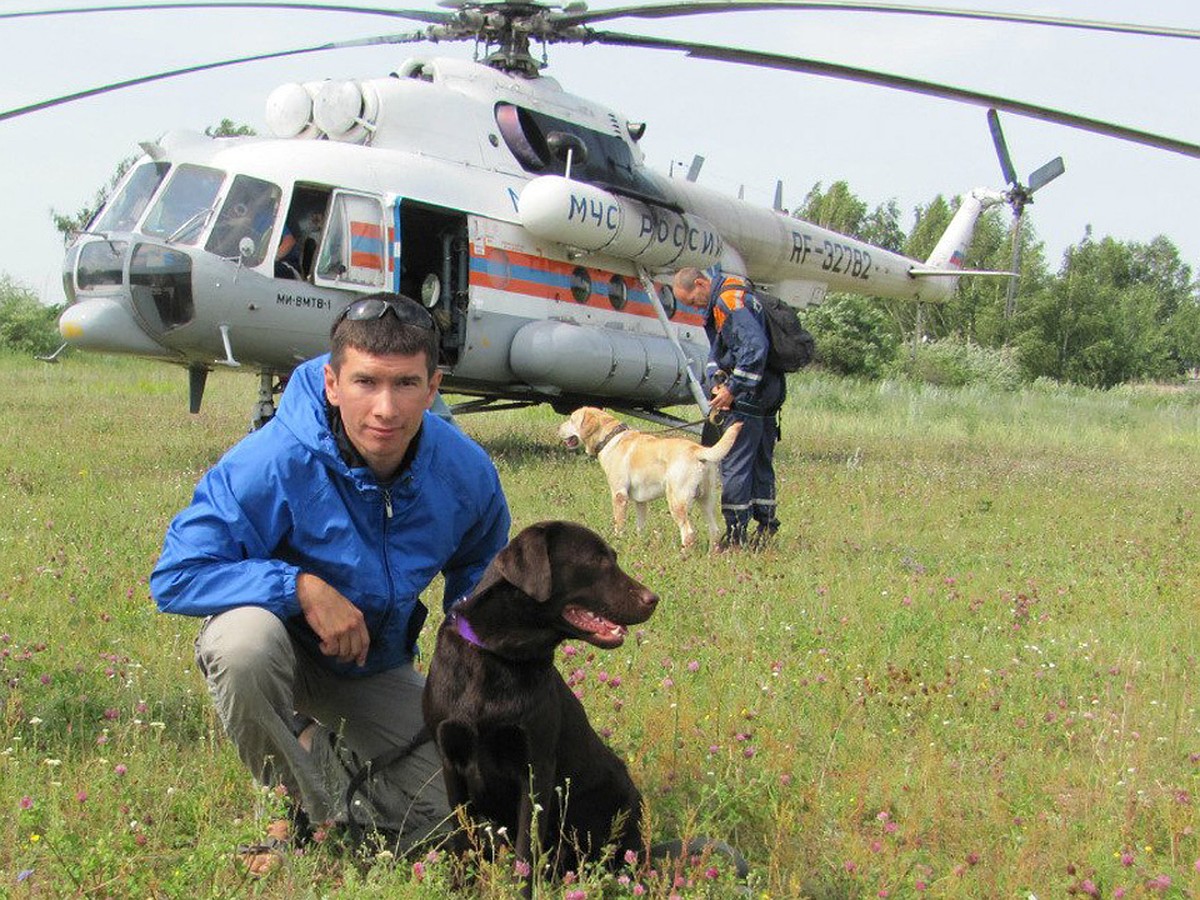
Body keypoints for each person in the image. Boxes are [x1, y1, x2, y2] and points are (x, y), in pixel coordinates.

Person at [150, 292, 511, 866]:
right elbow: (177, 575)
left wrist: (476, 672)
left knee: (468, 810)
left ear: (434, 385)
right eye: (366, 382)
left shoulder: (467, 471)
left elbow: (480, 578)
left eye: (406, 384)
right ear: (332, 383)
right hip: (280, 657)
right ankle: (301, 811)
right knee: (241, 643)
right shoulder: (270, 460)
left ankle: (329, 768)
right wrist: (300, 588)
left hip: (372, 663)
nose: (385, 409)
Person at [672, 267, 785, 550]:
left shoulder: (728, 302)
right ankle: (766, 527)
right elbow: (720, 351)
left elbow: (754, 348)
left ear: (700, 283)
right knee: (760, 462)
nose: (695, 307)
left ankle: (735, 535)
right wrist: (716, 381)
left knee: (735, 464)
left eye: (693, 300)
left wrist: (732, 390)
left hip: (749, 396)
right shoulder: (738, 293)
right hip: (769, 390)